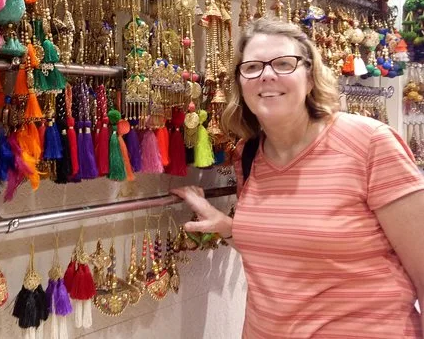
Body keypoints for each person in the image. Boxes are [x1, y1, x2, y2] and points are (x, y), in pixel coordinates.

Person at [171, 18, 424, 338]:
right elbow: (285, 249)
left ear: (310, 76)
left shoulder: (370, 143)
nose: (267, 74)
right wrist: (226, 226)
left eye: (283, 63)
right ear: (241, 84)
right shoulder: (249, 155)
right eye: (252, 67)